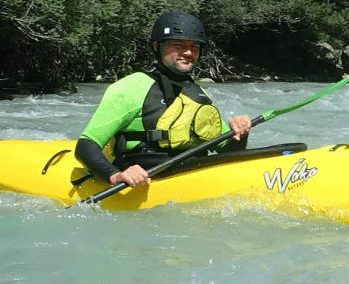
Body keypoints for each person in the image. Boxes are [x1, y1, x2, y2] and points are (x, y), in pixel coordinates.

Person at [75, 12, 252, 189]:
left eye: (195, 47)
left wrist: (239, 134)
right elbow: (86, 145)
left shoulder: (198, 93)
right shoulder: (131, 87)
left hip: (195, 174)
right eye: (178, 45)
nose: (189, 52)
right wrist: (114, 175)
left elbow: (229, 153)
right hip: (147, 178)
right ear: (156, 46)